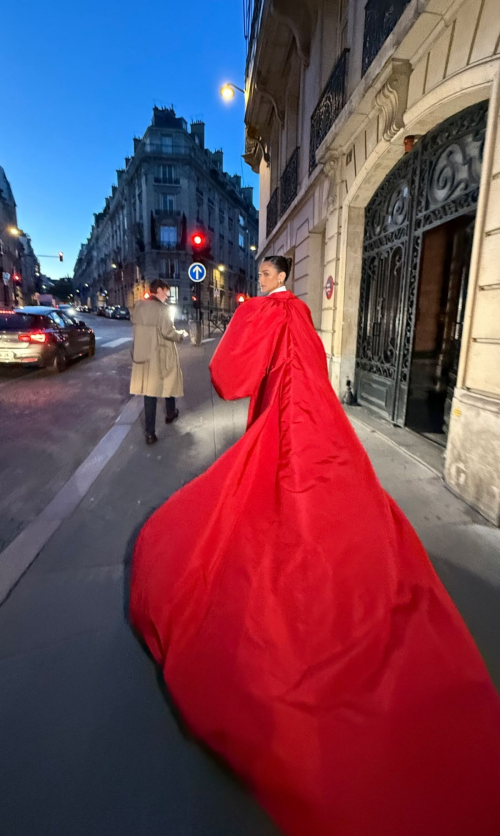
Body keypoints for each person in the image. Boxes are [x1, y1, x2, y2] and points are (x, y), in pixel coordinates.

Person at [130, 257, 500, 835]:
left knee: (264, 491)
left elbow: (231, 376)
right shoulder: (302, 312)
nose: (260, 281)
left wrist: (246, 326)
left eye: (264, 274)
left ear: (273, 276)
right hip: (315, 414)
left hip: (282, 413)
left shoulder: (265, 310)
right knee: (335, 497)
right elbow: (317, 367)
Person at [130, 279, 187, 446]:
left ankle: (150, 433)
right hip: (160, 355)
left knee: (149, 393)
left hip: (142, 356)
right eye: (166, 292)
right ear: (160, 290)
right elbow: (168, 332)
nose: (167, 295)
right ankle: (170, 414)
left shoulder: (138, 307)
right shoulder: (162, 309)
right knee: (169, 381)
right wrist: (181, 335)